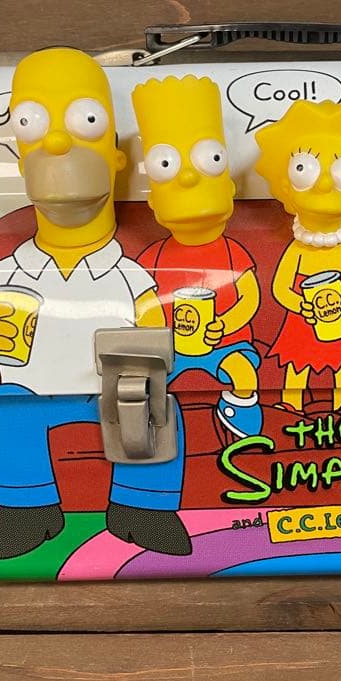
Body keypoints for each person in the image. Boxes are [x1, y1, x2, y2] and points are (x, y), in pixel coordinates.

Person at [0, 48, 191, 559]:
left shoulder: (128, 271)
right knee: (0, 409)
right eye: (32, 124)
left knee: (161, 407)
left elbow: (156, 317)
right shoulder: (5, 270)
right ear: (20, 159)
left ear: (118, 157)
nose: (58, 143)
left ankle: (143, 510)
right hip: (27, 388)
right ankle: (26, 510)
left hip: (122, 391)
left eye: (86, 121)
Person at [132, 75, 265, 438]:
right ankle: (153, 422)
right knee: (150, 380)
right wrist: (156, 331)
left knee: (243, 371)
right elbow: (144, 299)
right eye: (165, 165)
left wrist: (227, 323)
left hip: (226, 342)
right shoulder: (156, 254)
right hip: (173, 347)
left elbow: (249, 295)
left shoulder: (233, 250)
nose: (188, 177)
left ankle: (242, 409)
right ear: (152, 197)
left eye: (212, 160)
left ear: (228, 183)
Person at [254, 100, 341, 411]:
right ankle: (290, 403)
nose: (326, 182)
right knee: (297, 363)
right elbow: (280, 287)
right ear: (284, 186)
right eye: (303, 169)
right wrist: (301, 305)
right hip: (305, 319)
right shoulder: (297, 249)